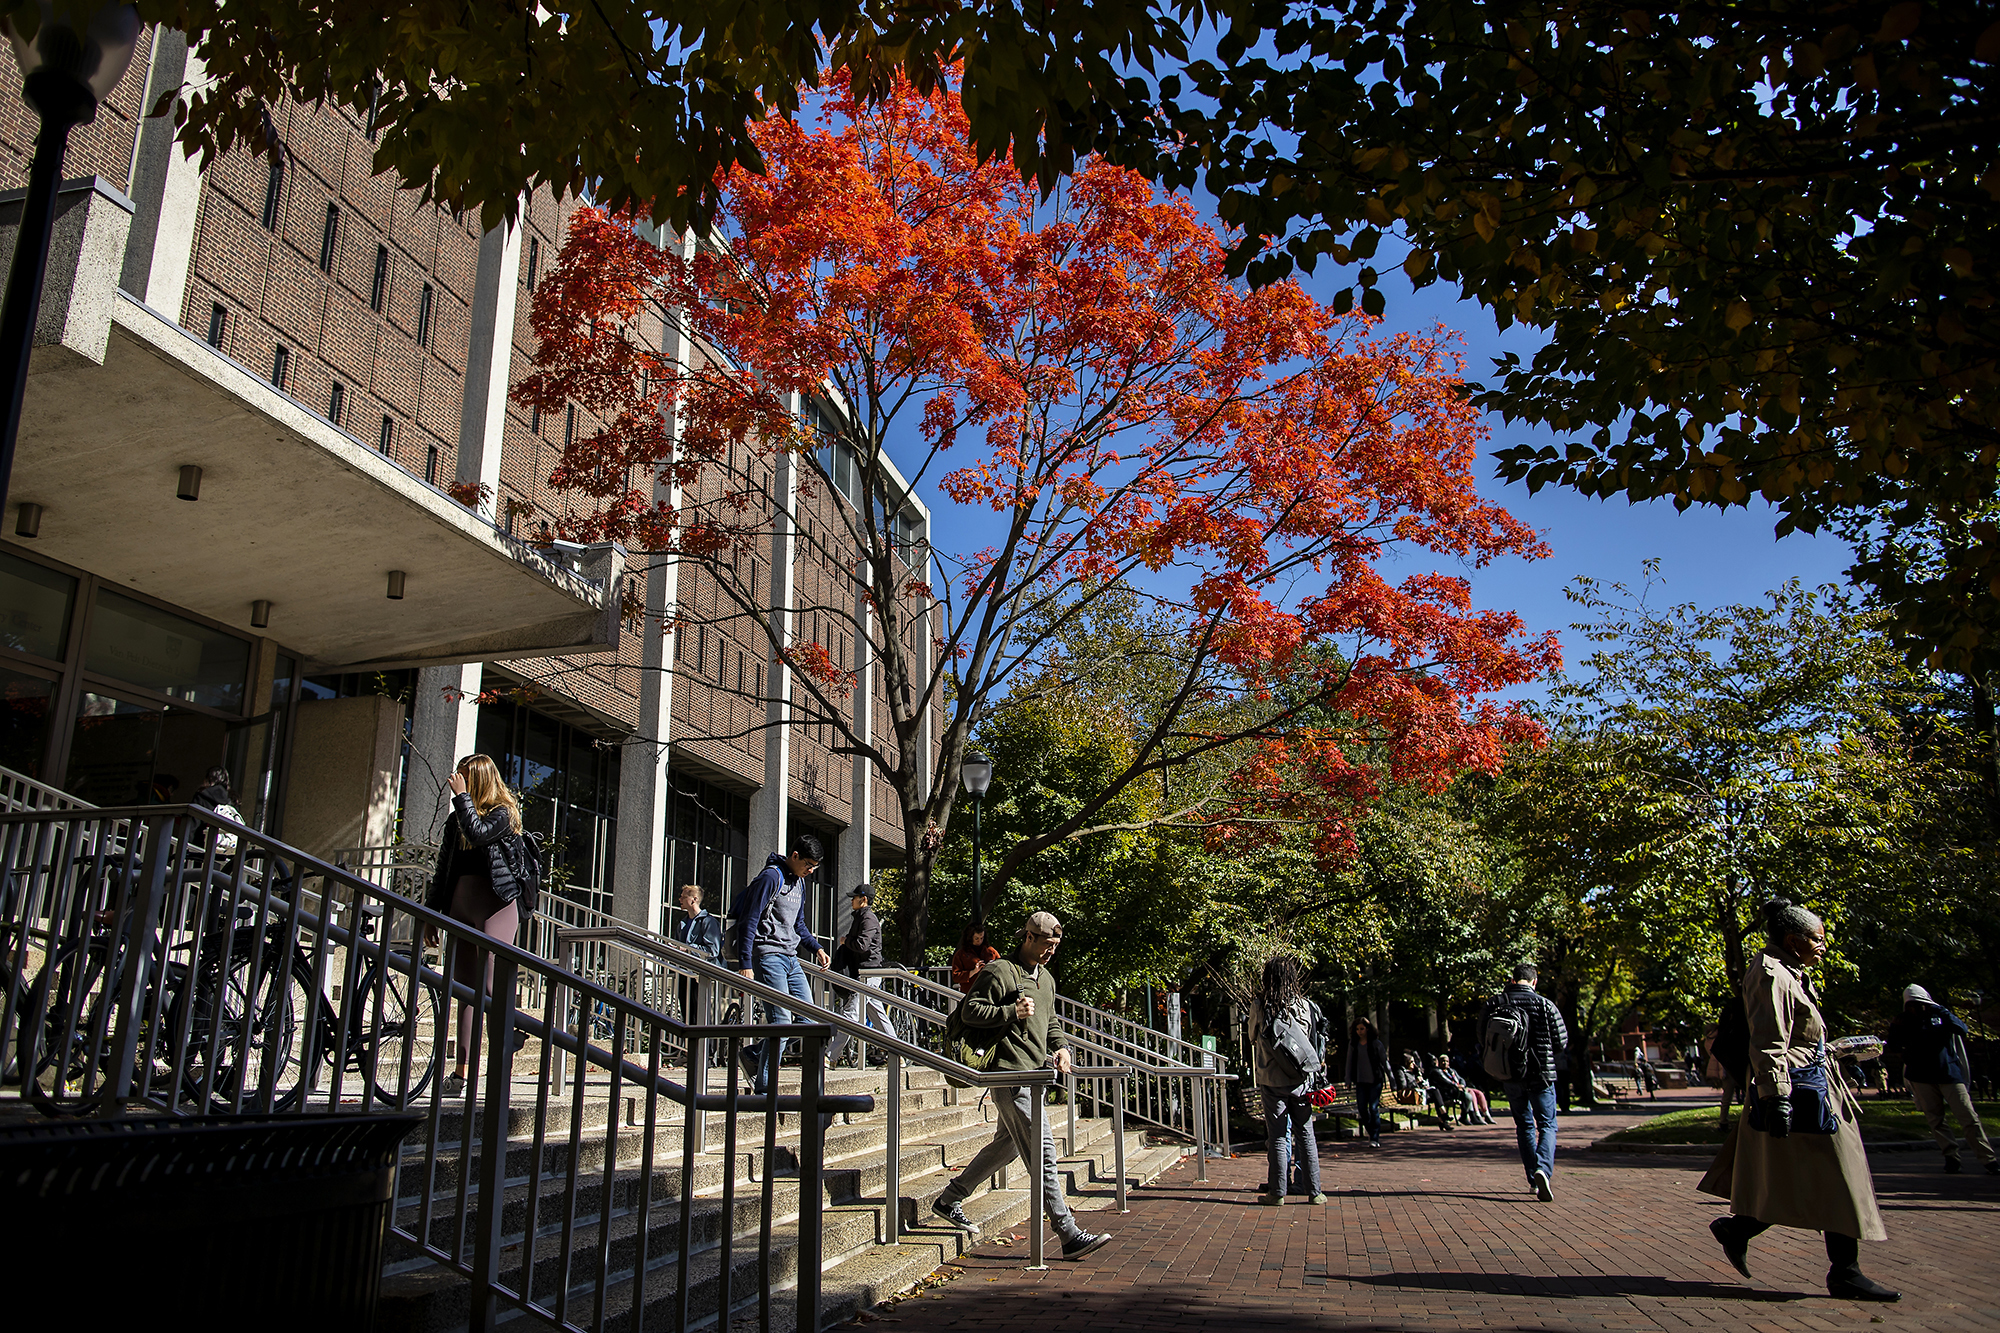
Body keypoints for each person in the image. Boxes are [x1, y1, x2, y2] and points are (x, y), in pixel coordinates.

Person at [1699, 899, 1897, 1301]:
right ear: (1793, 939)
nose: (1824, 945)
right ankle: (1844, 1271)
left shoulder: (1790, 972)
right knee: (1838, 1179)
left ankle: (1742, 1230)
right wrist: (1776, 1098)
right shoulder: (1771, 974)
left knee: (1815, 1181)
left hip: (1813, 1088)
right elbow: (1769, 1042)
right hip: (1799, 1094)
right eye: (1819, 938)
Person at [929, 911, 1111, 1260]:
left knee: (1007, 1147)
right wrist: (1011, 1012)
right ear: (1028, 938)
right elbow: (970, 1011)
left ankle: (949, 1198)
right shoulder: (1001, 970)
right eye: (1047, 944)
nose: (1051, 951)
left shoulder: (1045, 978)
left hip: (1034, 1075)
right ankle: (1068, 1233)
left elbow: (1051, 1020)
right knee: (1042, 1153)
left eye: (1056, 946)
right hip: (1010, 1077)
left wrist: (1060, 1047)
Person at [425, 755, 539, 1098]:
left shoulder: (502, 813)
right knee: (465, 991)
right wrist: (432, 911)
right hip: (460, 906)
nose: (455, 781)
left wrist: (462, 800)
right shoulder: (455, 821)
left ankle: (503, 1054)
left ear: (477, 780)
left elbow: (480, 833)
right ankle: (461, 1073)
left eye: (463, 777)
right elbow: (444, 866)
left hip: (496, 905)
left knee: (492, 987)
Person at [729, 832, 829, 1095]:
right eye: (808, 864)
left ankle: (752, 1055)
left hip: (791, 957)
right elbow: (749, 919)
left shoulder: (799, 883)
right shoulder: (771, 877)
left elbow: (798, 924)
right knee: (781, 1022)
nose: (810, 870)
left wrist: (816, 947)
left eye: (814, 867)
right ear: (794, 856)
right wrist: (745, 962)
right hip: (767, 956)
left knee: (808, 1019)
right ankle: (764, 1088)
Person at [1885, 984, 1997, 1175]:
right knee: (1935, 1119)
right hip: (1921, 1076)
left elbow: (1962, 1029)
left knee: (1968, 1117)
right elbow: (1894, 1045)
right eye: (1910, 1004)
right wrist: (1895, 1027)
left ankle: (1988, 1158)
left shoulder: (1940, 1016)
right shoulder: (1905, 1021)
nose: (1915, 1007)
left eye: (1918, 1003)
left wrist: (1942, 1011)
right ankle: (1951, 1156)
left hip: (1948, 1073)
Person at [1249, 956, 1327, 1205]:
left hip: (1272, 1080)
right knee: (1306, 1134)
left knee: (1278, 1136)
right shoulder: (1306, 1005)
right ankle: (1315, 1192)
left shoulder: (1261, 1005)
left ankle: (1277, 1192)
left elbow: (1252, 1035)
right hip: (1302, 1081)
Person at [1490, 963, 1568, 1202]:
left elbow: (1484, 1036)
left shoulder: (1496, 1003)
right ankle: (1543, 1168)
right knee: (1547, 1125)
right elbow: (1560, 1042)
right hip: (1541, 1074)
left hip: (1510, 1074)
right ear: (1534, 982)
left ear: (1513, 980)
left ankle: (1533, 1180)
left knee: (1524, 1125)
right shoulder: (1546, 1005)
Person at [826, 883, 897, 1068]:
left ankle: (830, 1056)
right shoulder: (861, 917)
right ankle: (899, 1054)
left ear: (863, 899)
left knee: (851, 1013)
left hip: (869, 973)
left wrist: (845, 940)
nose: (851, 900)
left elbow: (861, 945)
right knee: (878, 1017)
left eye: (854, 897)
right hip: (867, 973)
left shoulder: (868, 919)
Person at [1344, 1018, 1387, 1147]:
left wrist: (1391, 1079)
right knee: (1362, 1109)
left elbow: (1384, 1062)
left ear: (1367, 1029)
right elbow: (1349, 1062)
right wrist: (1348, 1078)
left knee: (1373, 1108)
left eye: (1362, 1029)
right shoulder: (1354, 1044)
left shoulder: (1376, 1044)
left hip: (1375, 1080)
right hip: (1360, 1081)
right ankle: (1372, 1130)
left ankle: (1375, 1137)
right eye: (1357, 1029)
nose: (1359, 1032)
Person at [950, 924, 1000, 993]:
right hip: (970, 993)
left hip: (989, 991)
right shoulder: (961, 954)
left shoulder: (991, 951)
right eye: (976, 938)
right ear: (970, 938)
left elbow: (1001, 968)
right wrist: (973, 972)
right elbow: (956, 976)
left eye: (981, 938)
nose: (979, 941)